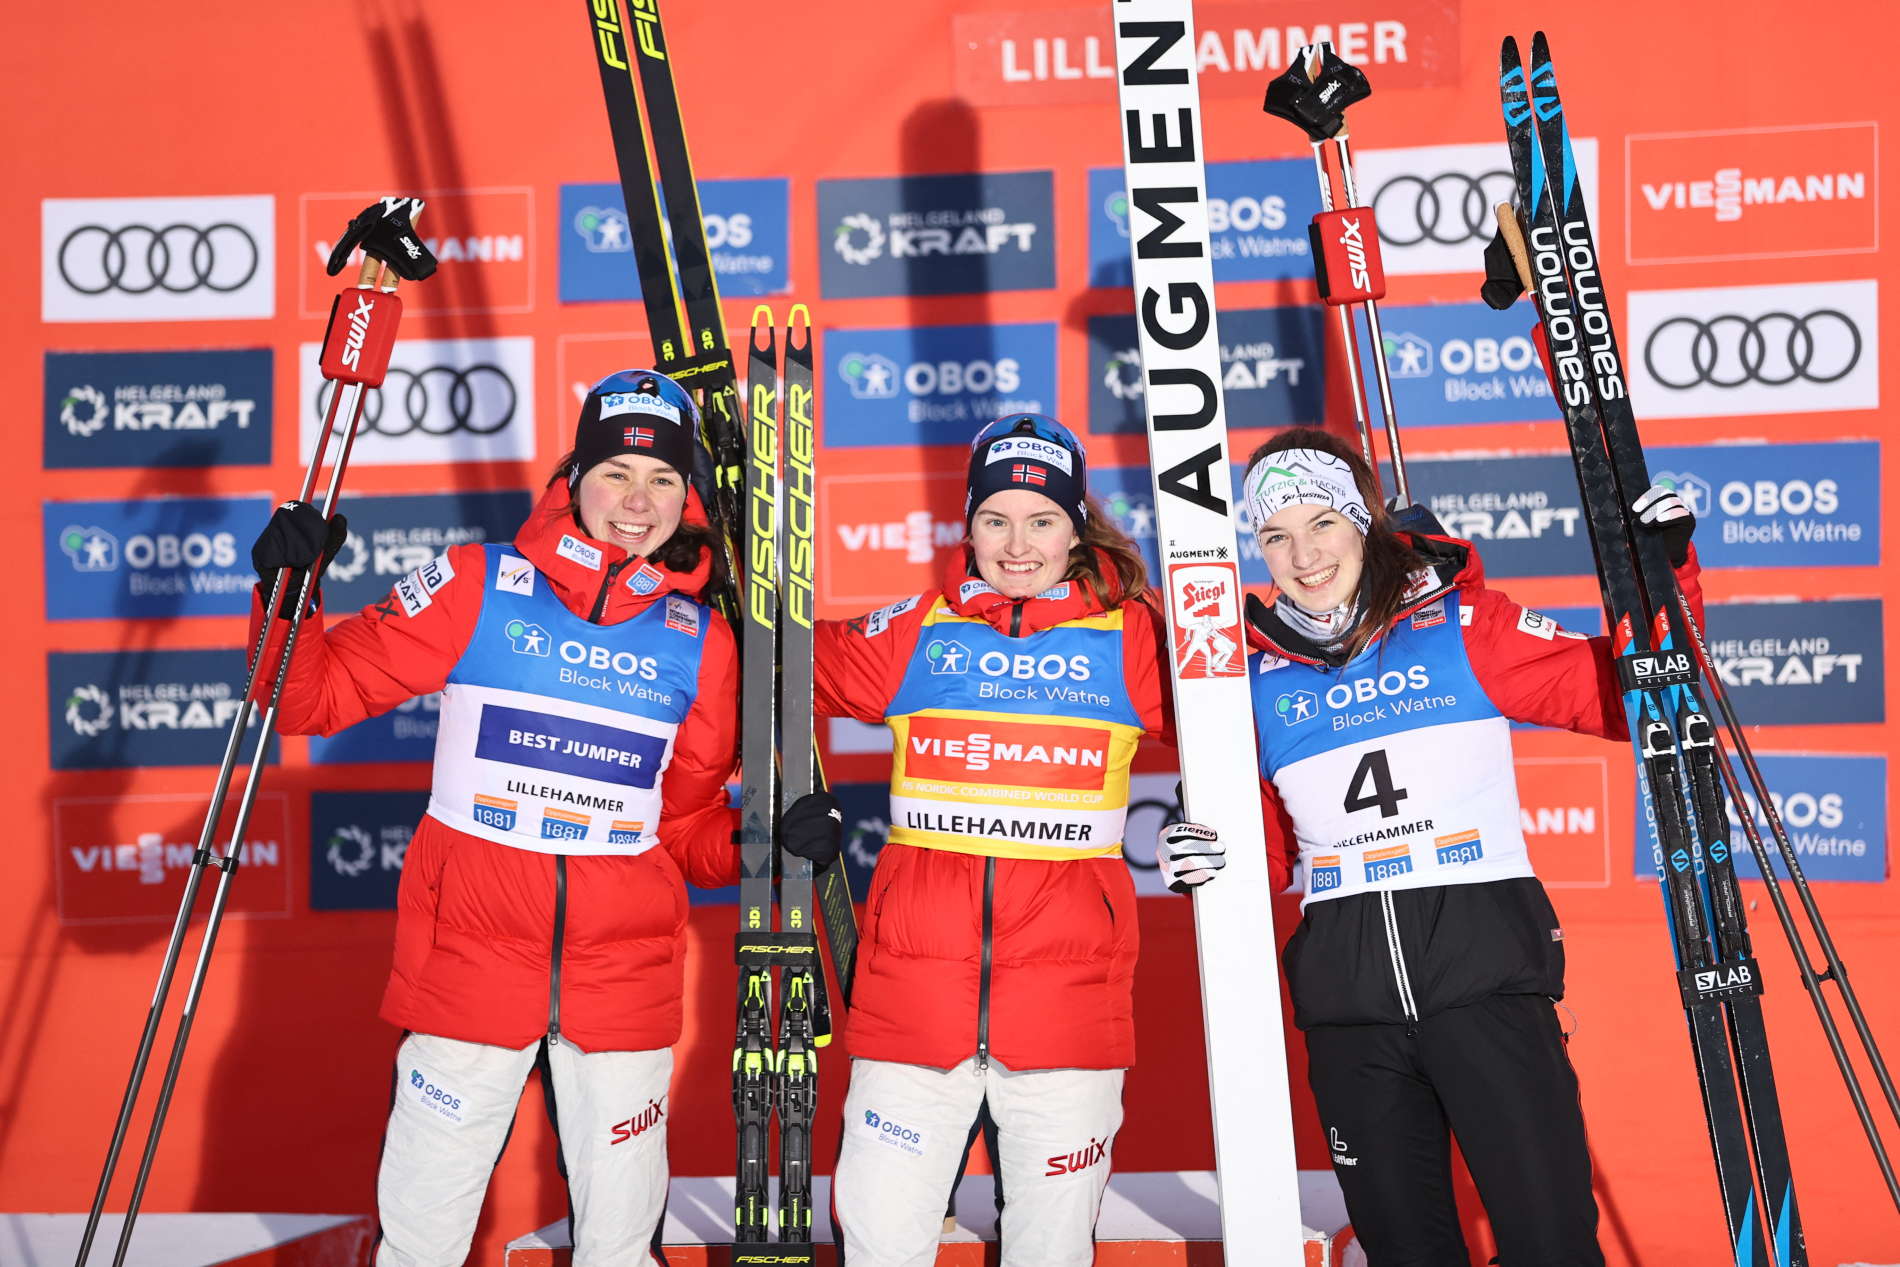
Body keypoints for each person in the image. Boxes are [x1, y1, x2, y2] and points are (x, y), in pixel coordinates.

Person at [248, 369, 837, 1267]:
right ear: (575, 475)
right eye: (617, 474)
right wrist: (290, 595)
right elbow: (306, 700)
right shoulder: (478, 583)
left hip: (621, 972)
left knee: (618, 1243)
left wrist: (764, 841)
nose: (637, 503)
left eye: (664, 482)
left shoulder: (700, 641)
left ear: (689, 499)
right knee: (423, 1236)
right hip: (469, 957)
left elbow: (681, 831)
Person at [1156, 427, 1702, 1267]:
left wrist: (1662, 576)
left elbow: (1638, 695)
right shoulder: (1247, 681)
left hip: (1483, 988)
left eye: (1323, 525)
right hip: (1352, 1017)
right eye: (1275, 536)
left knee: (1550, 1244)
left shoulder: (1463, 624)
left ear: (1365, 521)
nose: (1302, 556)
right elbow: (1259, 856)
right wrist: (1200, 849)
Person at [798, 415, 1168, 1267]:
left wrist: (1225, 834)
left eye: (1041, 520)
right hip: (911, 1009)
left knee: (1050, 1251)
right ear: (968, 525)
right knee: (882, 1244)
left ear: (1077, 527)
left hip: (1069, 1012)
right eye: (996, 518)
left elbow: (1249, 721)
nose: (1017, 544)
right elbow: (775, 668)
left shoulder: (1132, 636)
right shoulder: (918, 629)